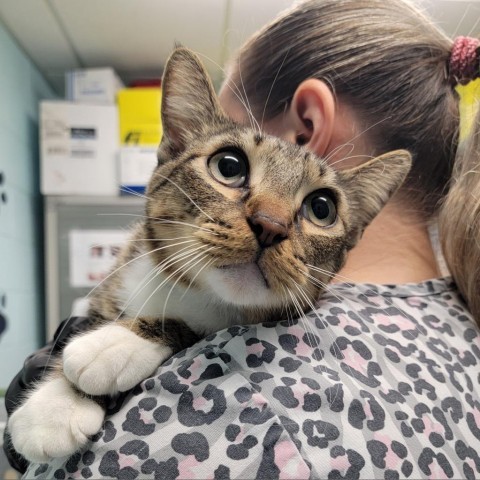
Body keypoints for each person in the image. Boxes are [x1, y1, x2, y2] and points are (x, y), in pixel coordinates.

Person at [5, 0, 480, 478]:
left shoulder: (230, 403)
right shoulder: (462, 325)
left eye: (321, 208)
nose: (269, 224)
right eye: (228, 166)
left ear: (308, 127)